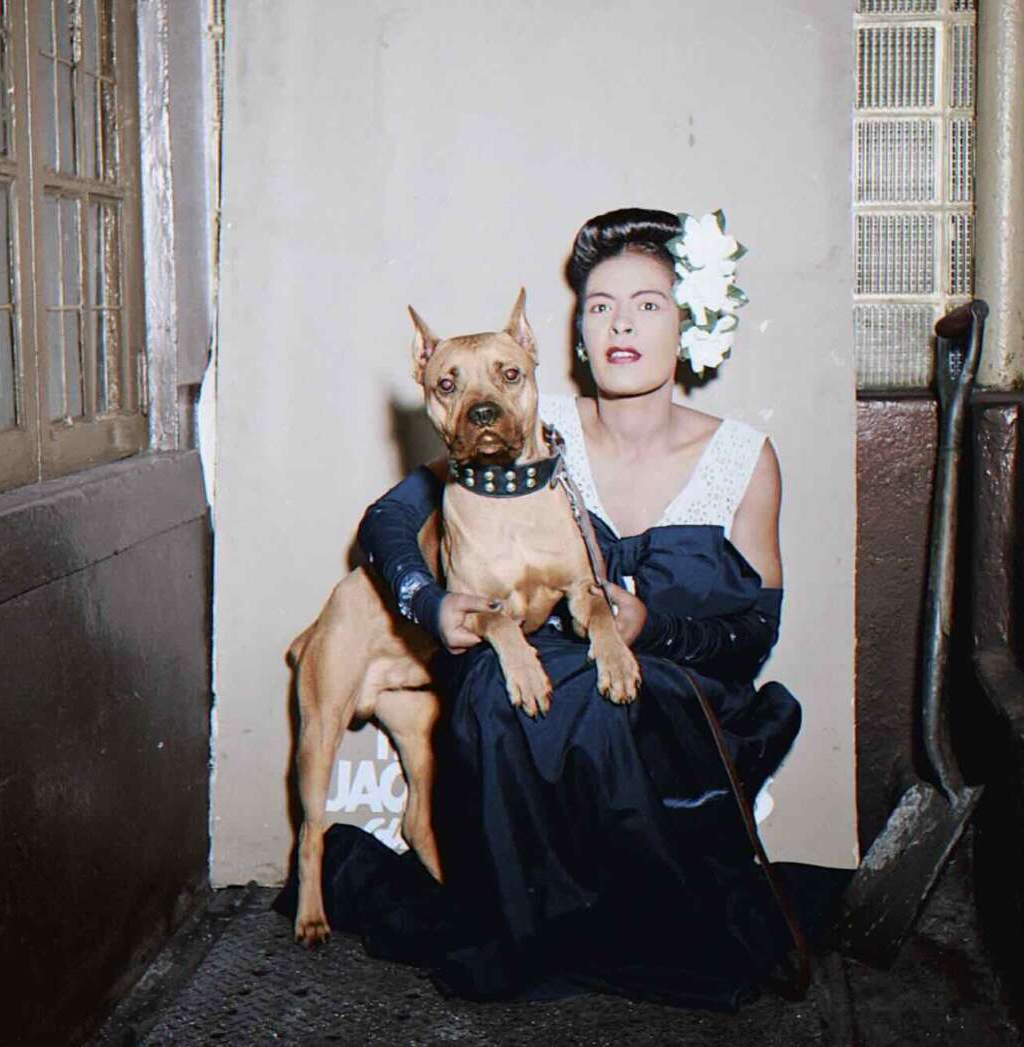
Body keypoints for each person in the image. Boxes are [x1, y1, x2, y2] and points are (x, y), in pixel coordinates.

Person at [275, 208, 846, 1010]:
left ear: (691, 321)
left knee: (589, 700)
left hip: (671, 711)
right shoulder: (535, 432)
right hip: (534, 720)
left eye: (648, 303)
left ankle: (593, 918)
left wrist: (655, 628)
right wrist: (432, 604)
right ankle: (535, 918)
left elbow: (756, 631)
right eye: (601, 304)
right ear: (573, 333)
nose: (621, 322)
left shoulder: (742, 459)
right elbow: (387, 523)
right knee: (508, 688)